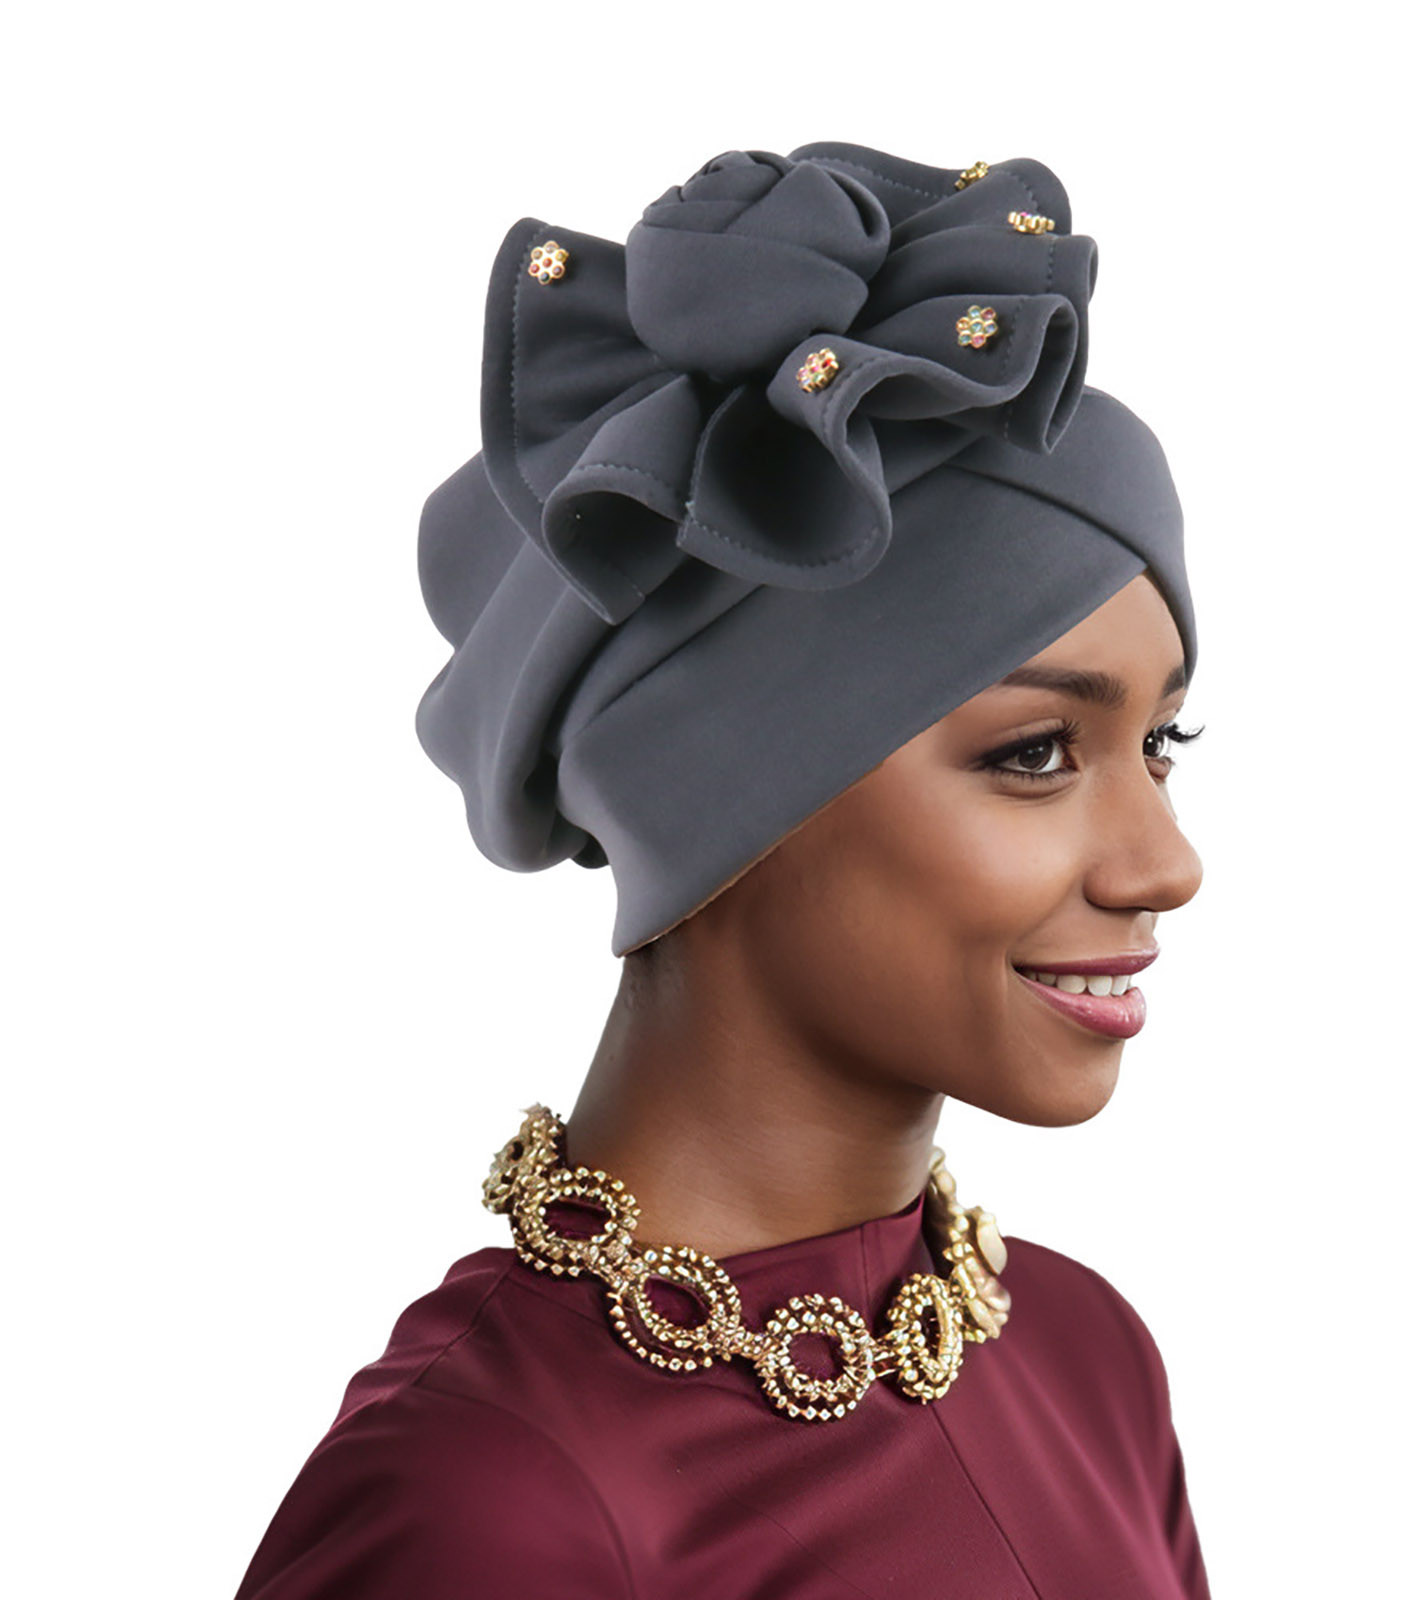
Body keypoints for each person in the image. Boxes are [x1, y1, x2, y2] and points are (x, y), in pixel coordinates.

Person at [232, 140, 1212, 1598]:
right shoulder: (489, 1503)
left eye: (1164, 744)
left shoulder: (1086, 1359)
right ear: (729, 800)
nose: (1166, 865)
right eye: (1034, 754)